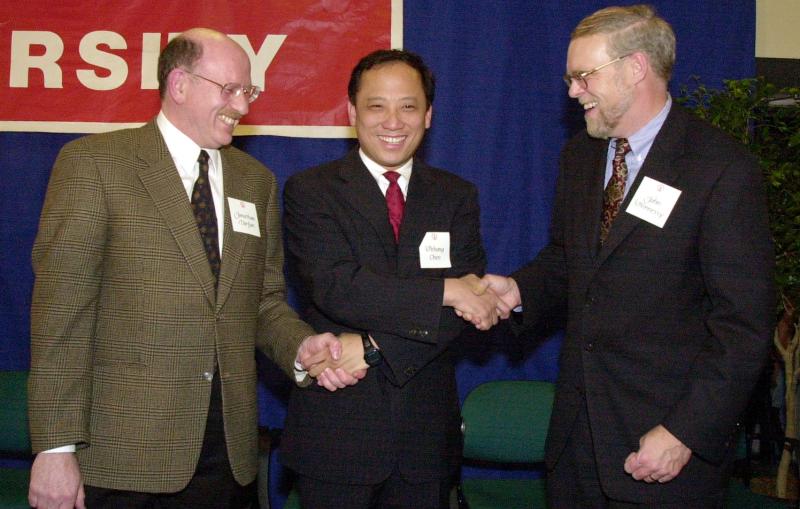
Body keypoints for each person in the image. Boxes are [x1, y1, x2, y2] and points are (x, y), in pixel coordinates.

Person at [27, 28, 359, 509]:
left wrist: (301, 346)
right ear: (179, 84)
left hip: (228, 456)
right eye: (230, 90)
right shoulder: (95, 165)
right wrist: (55, 448)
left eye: (249, 91)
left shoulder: (256, 182)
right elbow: (61, 315)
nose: (243, 106)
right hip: (125, 456)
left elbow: (261, 302)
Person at [481, 5, 775, 507]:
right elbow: (567, 259)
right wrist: (520, 290)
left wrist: (684, 431)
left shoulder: (721, 169)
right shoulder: (581, 156)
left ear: (635, 67)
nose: (573, 92)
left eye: (583, 76)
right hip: (577, 445)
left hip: (661, 449)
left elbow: (743, 326)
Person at [280, 49, 498, 508]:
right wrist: (443, 290)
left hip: (425, 441)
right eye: (377, 105)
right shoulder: (311, 191)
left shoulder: (456, 197)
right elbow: (338, 287)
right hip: (336, 435)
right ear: (352, 112)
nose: (393, 121)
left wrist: (375, 349)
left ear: (429, 114)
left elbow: (468, 308)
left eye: (409, 106)